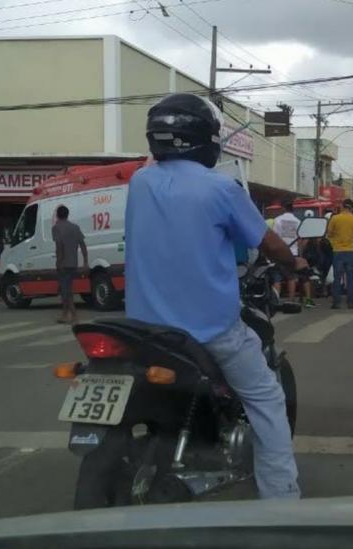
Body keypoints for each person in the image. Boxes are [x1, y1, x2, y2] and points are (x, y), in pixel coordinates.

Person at [126, 93, 304, 499]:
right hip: (207, 329)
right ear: (205, 139)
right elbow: (272, 246)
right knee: (266, 398)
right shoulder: (221, 188)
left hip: (143, 330)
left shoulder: (139, 182)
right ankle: (282, 498)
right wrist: (296, 266)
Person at [272, 203, 314, 308]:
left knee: (277, 278)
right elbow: (302, 239)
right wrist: (300, 252)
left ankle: (276, 302)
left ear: (283, 208)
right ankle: (291, 301)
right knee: (291, 278)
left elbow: (273, 237)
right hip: (293, 254)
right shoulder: (298, 222)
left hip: (279, 253)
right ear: (293, 209)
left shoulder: (277, 220)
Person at [52, 205, 88, 324]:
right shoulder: (75, 227)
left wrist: (59, 262)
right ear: (67, 214)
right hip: (73, 263)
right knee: (66, 289)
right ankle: (64, 314)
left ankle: (73, 315)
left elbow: (59, 246)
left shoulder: (56, 228)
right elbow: (83, 245)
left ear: (57, 215)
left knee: (66, 291)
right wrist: (85, 261)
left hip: (64, 264)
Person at [327, 198, 353, 309]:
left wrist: (334, 242)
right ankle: (350, 302)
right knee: (350, 277)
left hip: (337, 251)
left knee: (337, 278)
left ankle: (336, 302)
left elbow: (329, 233)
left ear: (342, 206)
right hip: (350, 251)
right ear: (351, 207)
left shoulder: (335, 218)